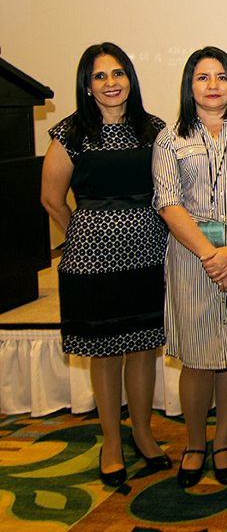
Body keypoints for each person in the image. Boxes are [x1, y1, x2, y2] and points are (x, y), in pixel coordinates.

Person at [40, 42, 171, 486]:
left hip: (148, 255)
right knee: (105, 351)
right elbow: (51, 199)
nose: (111, 83)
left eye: (118, 73)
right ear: (87, 85)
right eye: (100, 76)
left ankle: (144, 434)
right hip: (91, 263)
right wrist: (86, 230)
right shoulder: (69, 132)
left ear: (130, 79)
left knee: (143, 348)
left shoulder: (154, 129)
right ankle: (112, 441)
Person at [152, 47, 227, 487]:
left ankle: (224, 441)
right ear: (190, 86)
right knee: (198, 356)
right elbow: (168, 202)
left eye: (221, 77)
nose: (213, 85)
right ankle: (194, 443)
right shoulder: (170, 138)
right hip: (191, 258)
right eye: (203, 78)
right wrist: (211, 255)